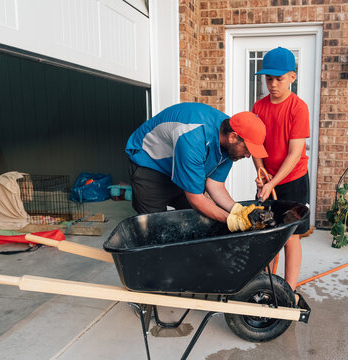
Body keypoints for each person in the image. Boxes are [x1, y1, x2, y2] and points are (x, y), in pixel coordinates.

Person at [125, 102, 268, 231]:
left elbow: (215, 185)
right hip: (150, 165)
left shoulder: (230, 142)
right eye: (247, 149)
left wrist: (237, 210)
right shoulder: (194, 136)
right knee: (155, 229)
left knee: (198, 223)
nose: (248, 155)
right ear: (232, 137)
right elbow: (196, 198)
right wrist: (232, 220)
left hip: (179, 167)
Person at [252, 47, 311, 292]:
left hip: (293, 179)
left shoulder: (298, 108)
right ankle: (268, 285)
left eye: (279, 79)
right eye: (268, 79)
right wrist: (261, 171)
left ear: (292, 78)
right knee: (268, 232)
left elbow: (295, 152)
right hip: (268, 180)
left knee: (290, 235)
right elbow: (255, 145)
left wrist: (273, 183)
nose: (273, 85)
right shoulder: (258, 107)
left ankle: (288, 290)